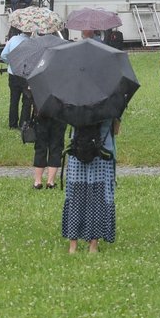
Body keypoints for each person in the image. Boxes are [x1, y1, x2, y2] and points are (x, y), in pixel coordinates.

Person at [63, 119, 118, 253]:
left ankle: (73, 246)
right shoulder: (110, 102)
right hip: (103, 152)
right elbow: (115, 130)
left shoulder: (74, 102)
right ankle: (93, 246)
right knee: (98, 199)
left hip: (78, 152)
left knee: (76, 198)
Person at [0, 28, 31, 129]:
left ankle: (12, 124)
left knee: (14, 99)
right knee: (27, 101)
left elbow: (3, 55)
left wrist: (12, 63)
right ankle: (23, 124)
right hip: (26, 75)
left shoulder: (13, 39)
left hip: (13, 74)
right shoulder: (33, 42)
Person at [31, 102, 66, 190]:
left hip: (41, 111)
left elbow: (29, 93)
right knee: (56, 147)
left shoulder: (40, 87)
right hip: (59, 113)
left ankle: (37, 181)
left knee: (40, 147)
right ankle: (50, 182)